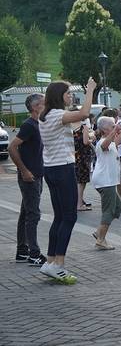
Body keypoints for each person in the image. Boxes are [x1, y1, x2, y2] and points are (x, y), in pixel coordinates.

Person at [38, 77, 96, 284]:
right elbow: (84, 113)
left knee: (59, 217)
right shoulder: (56, 114)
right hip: (62, 169)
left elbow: (77, 122)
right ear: (58, 96)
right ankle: (58, 265)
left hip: (51, 169)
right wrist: (90, 90)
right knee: (69, 217)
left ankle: (51, 261)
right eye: (68, 93)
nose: (71, 96)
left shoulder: (45, 116)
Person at [9, 93, 46, 266]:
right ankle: (34, 253)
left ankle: (22, 251)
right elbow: (12, 147)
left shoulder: (37, 124)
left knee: (26, 213)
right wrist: (24, 170)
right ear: (35, 107)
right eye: (44, 102)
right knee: (33, 214)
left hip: (37, 174)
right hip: (30, 176)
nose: (46, 105)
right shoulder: (29, 125)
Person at [90, 117, 121, 250]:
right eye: (112, 127)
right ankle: (100, 239)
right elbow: (105, 145)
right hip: (104, 181)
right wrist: (116, 131)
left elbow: (114, 143)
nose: (115, 128)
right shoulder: (102, 142)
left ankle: (99, 232)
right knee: (109, 210)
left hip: (109, 180)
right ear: (105, 129)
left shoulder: (110, 141)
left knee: (118, 207)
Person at [73, 118, 95, 211]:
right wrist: (92, 140)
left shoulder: (70, 127)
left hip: (74, 155)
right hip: (83, 156)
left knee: (76, 180)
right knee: (82, 181)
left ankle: (79, 201)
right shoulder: (84, 127)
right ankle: (79, 204)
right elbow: (85, 142)